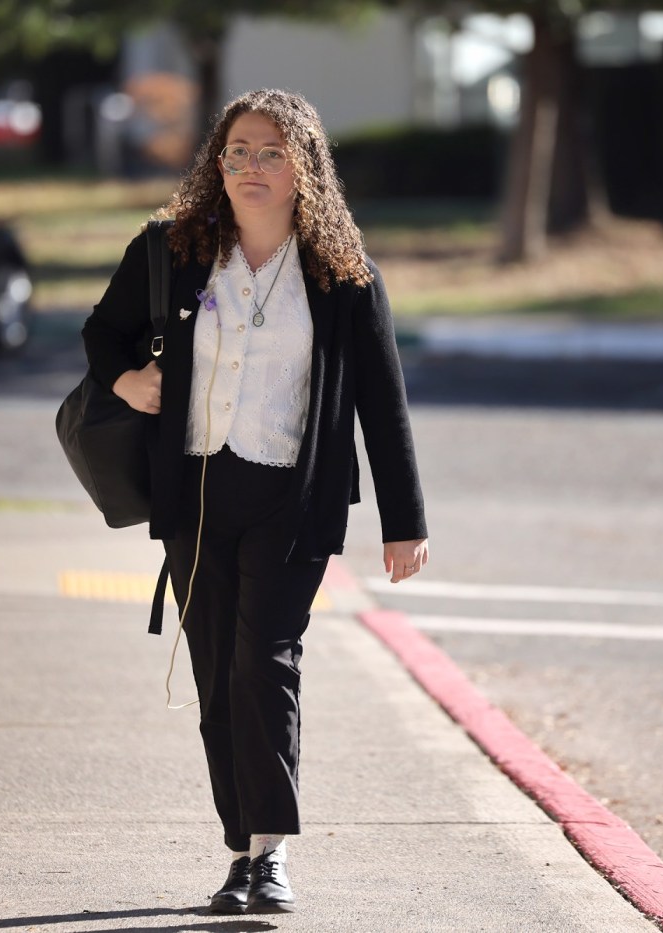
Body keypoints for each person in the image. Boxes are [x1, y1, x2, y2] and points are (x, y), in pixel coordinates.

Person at [81, 88, 429, 915]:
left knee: (262, 664)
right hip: (195, 495)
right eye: (236, 151)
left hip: (292, 501)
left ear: (304, 167)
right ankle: (237, 849)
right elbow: (101, 332)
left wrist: (404, 519)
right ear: (217, 163)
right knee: (215, 679)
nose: (250, 167)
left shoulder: (343, 278)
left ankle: (270, 857)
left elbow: (384, 402)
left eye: (270, 152)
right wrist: (130, 381)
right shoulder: (173, 250)